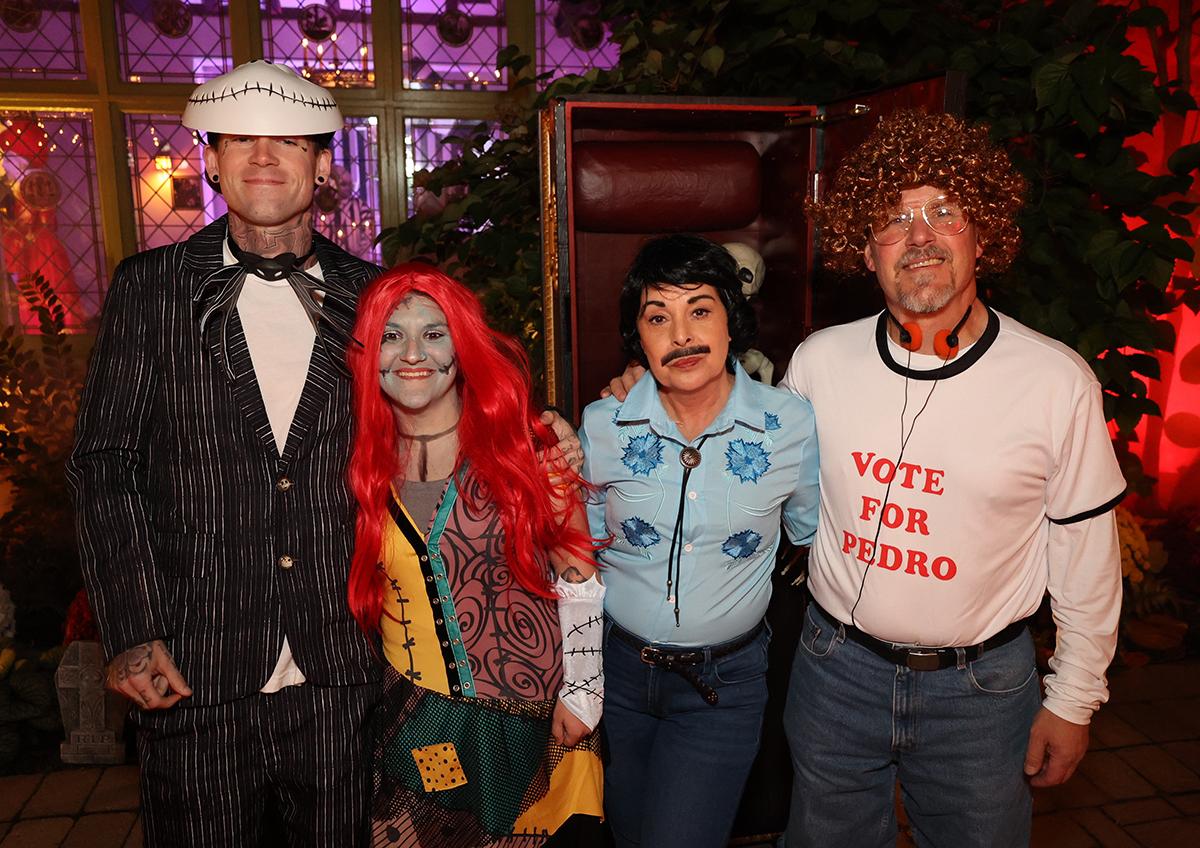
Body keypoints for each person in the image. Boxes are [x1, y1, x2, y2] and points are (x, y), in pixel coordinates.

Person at [777, 109, 1125, 847]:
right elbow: (746, 461)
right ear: (865, 251)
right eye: (894, 219)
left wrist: (1074, 698)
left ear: (982, 233)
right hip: (835, 673)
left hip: (982, 692)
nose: (921, 236)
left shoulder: (1055, 381)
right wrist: (642, 400)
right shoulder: (816, 363)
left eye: (944, 211)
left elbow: (1085, 557)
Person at [67, 60, 382, 846]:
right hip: (194, 668)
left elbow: (434, 437)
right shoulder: (149, 288)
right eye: (242, 139)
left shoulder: (378, 297)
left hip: (343, 672)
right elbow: (102, 465)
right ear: (210, 158)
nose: (265, 158)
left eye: (288, 143)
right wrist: (134, 629)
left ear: (321, 162)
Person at [345, 265, 606, 847]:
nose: (412, 353)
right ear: (369, 353)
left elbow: (577, 570)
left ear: (461, 346)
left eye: (434, 334)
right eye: (391, 335)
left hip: (521, 718)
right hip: (417, 716)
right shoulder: (360, 461)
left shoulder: (528, 447)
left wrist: (585, 689)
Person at [579, 234, 820, 848]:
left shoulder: (789, 425)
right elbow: (579, 552)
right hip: (620, 677)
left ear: (732, 323)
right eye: (659, 317)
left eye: (700, 310)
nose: (681, 334)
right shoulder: (602, 423)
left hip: (724, 685)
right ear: (639, 339)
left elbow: (817, 536)